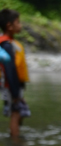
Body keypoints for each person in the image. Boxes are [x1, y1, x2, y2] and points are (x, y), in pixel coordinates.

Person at [0, 8, 30, 138]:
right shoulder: (7, 45)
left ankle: (15, 135)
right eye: (18, 22)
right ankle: (16, 143)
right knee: (16, 112)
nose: (20, 25)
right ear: (9, 26)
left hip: (15, 84)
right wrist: (15, 91)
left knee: (19, 111)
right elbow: (9, 69)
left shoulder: (11, 43)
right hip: (11, 85)